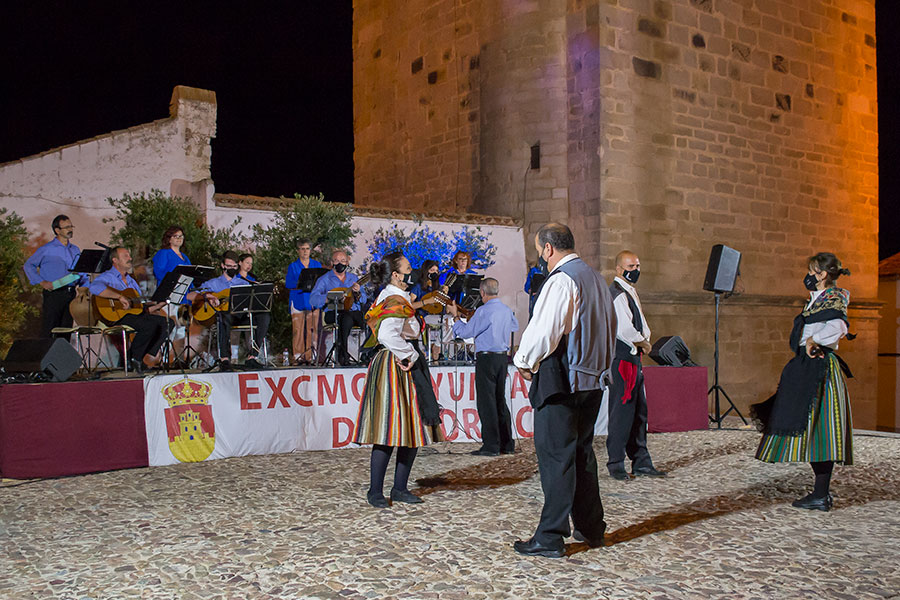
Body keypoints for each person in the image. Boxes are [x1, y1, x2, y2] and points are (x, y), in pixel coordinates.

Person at [512, 223, 615, 558]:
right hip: (593, 380)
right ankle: (591, 527)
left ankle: (551, 536)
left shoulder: (561, 280)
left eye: (539, 249)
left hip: (563, 380)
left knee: (556, 458)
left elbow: (545, 330)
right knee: (582, 454)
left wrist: (524, 361)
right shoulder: (597, 279)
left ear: (547, 249)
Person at [751, 252, 854, 512]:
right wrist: (807, 341)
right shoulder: (816, 300)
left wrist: (813, 341)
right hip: (805, 366)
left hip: (820, 367)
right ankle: (820, 492)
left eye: (812, 271)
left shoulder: (835, 297)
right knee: (807, 426)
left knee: (821, 430)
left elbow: (838, 327)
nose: (808, 276)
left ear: (821, 274)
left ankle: (821, 494)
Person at [353, 251, 443, 508]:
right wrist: (410, 356)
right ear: (395, 274)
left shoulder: (401, 296)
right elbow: (387, 335)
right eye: (407, 268)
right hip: (396, 364)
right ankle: (375, 491)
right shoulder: (392, 297)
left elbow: (408, 329)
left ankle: (400, 487)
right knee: (388, 429)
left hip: (406, 359)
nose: (411, 272)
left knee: (412, 428)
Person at [605, 250, 666, 480]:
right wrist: (643, 342)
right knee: (622, 411)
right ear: (619, 269)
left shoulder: (630, 292)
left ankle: (641, 460)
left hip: (634, 359)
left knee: (639, 412)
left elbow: (640, 321)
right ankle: (616, 463)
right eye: (631, 266)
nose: (635, 270)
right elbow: (623, 328)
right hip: (623, 361)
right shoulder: (617, 293)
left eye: (638, 265)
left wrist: (645, 338)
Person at [447, 277, 518, 456]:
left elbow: (465, 332)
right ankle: (507, 444)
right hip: (502, 358)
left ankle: (491, 445)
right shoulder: (506, 309)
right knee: (500, 400)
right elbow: (514, 326)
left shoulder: (483, 311)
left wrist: (455, 317)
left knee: (487, 403)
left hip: (486, 358)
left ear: (482, 293)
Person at [89, 247, 169, 374]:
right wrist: (119, 296)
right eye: (126, 256)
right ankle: (135, 358)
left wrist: (157, 306)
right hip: (115, 316)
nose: (130, 258)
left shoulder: (131, 280)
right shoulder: (107, 276)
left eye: (129, 256)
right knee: (148, 325)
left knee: (166, 323)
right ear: (115, 260)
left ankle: (136, 357)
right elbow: (94, 287)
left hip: (133, 315)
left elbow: (139, 307)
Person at [198, 251, 270, 370]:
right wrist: (208, 296)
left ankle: (252, 356)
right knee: (223, 316)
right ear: (223, 265)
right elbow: (196, 292)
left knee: (264, 316)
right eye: (229, 266)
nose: (232, 268)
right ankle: (224, 359)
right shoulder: (214, 283)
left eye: (234, 266)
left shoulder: (243, 282)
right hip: (225, 316)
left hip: (241, 315)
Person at [23, 214, 88, 338]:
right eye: (66, 227)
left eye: (71, 226)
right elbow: (28, 266)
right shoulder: (47, 249)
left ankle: (62, 357)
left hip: (71, 294)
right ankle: (47, 356)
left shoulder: (75, 249)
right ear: (57, 230)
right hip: (54, 294)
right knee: (50, 329)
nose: (70, 229)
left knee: (66, 330)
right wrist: (42, 282)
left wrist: (84, 288)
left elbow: (81, 272)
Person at [310, 250, 368, 366]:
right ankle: (343, 355)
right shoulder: (324, 279)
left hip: (353, 311)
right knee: (345, 318)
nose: (340, 263)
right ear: (332, 262)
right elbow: (313, 299)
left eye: (343, 261)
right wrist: (328, 298)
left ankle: (367, 354)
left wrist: (358, 294)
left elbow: (364, 299)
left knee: (369, 320)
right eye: (336, 261)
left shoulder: (353, 278)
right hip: (333, 313)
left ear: (347, 263)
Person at [285, 238, 323, 364]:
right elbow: (289, 283)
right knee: (298, 330)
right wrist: (302, 282)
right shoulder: (293, 266)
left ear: (310, 250)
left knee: (312, 329)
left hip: (313, 301)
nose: (305, 251)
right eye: (302, 249)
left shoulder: (316, 265)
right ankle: (297, 356)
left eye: (307, 249)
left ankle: (311, 356)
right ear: (298, 251)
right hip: (298, 300)